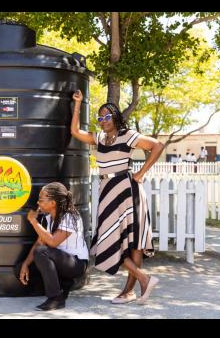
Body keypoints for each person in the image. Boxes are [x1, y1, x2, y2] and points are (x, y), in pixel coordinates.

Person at [70, 90, 164, 305]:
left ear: (116, 117)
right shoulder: (99, 138)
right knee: (107, 240)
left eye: (107, 117)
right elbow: (75, 131)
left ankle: (131, 290)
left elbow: (157, 146)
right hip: (107, 189)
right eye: (100, 118)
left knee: (134, 242)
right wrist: (78, 104)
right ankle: (144, 279)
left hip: (126, 189)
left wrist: (141, 173)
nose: (103, 121)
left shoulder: (128, 135)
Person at [18, 182, 89, 311]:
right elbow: (40, 241)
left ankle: (56, 299)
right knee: (32, 258)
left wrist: (34, 221)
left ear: (53, 203)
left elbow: (52, 242)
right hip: (61, 260)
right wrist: (26, 264)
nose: (38, 203)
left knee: (41, 253)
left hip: (77, 263)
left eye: (41, 200)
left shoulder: (70, 217)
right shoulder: (49, 218)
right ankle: (64, 284)